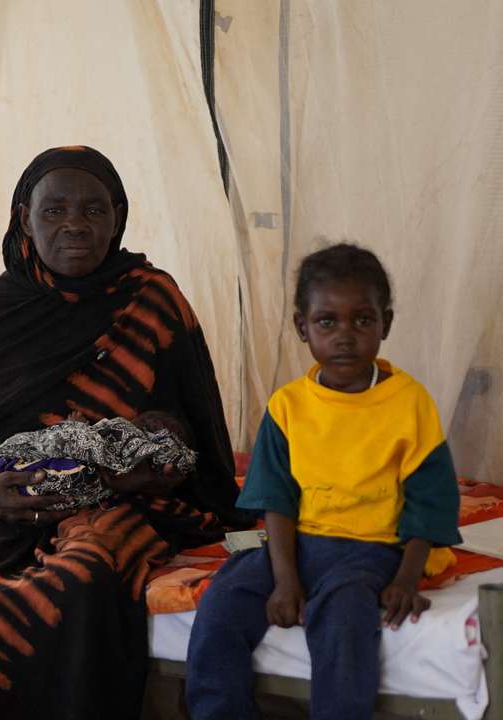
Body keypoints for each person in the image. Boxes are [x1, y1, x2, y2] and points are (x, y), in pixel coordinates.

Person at [0, 146, 247, 719]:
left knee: (84, 582)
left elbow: (196, 438)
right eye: (54, 211)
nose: (75, 224)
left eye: (93, 210)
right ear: (24, 216)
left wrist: (140, 473)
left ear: (118, 216)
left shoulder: (153, 301)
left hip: (119, 502)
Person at [185, 243, 462, 719]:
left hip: (371, 548)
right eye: (327, 322)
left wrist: (405, 578)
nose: (345, 337)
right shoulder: (288, 406)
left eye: (363, 320)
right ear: (302, 327)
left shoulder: (410, 404)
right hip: (293, 542)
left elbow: (429, 501)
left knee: (345, 617)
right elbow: (276, 499)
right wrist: (285, 579)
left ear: (386, 324)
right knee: (222, 605)